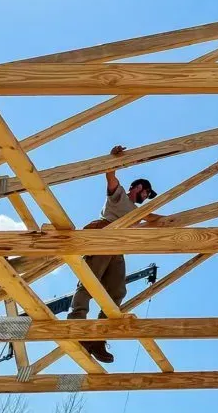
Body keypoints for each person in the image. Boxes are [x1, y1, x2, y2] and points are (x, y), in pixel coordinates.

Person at [68, 145, 163, 363]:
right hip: (104, 237)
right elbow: (110, 175)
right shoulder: (119, 196)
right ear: (138, 187)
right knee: (89, 283)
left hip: (118, 247)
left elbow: (154, 218)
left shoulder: (138, 212)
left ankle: (98, 338)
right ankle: (78, 326)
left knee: (117, 292)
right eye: (146, 193)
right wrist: (114, 158)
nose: (147, 197)